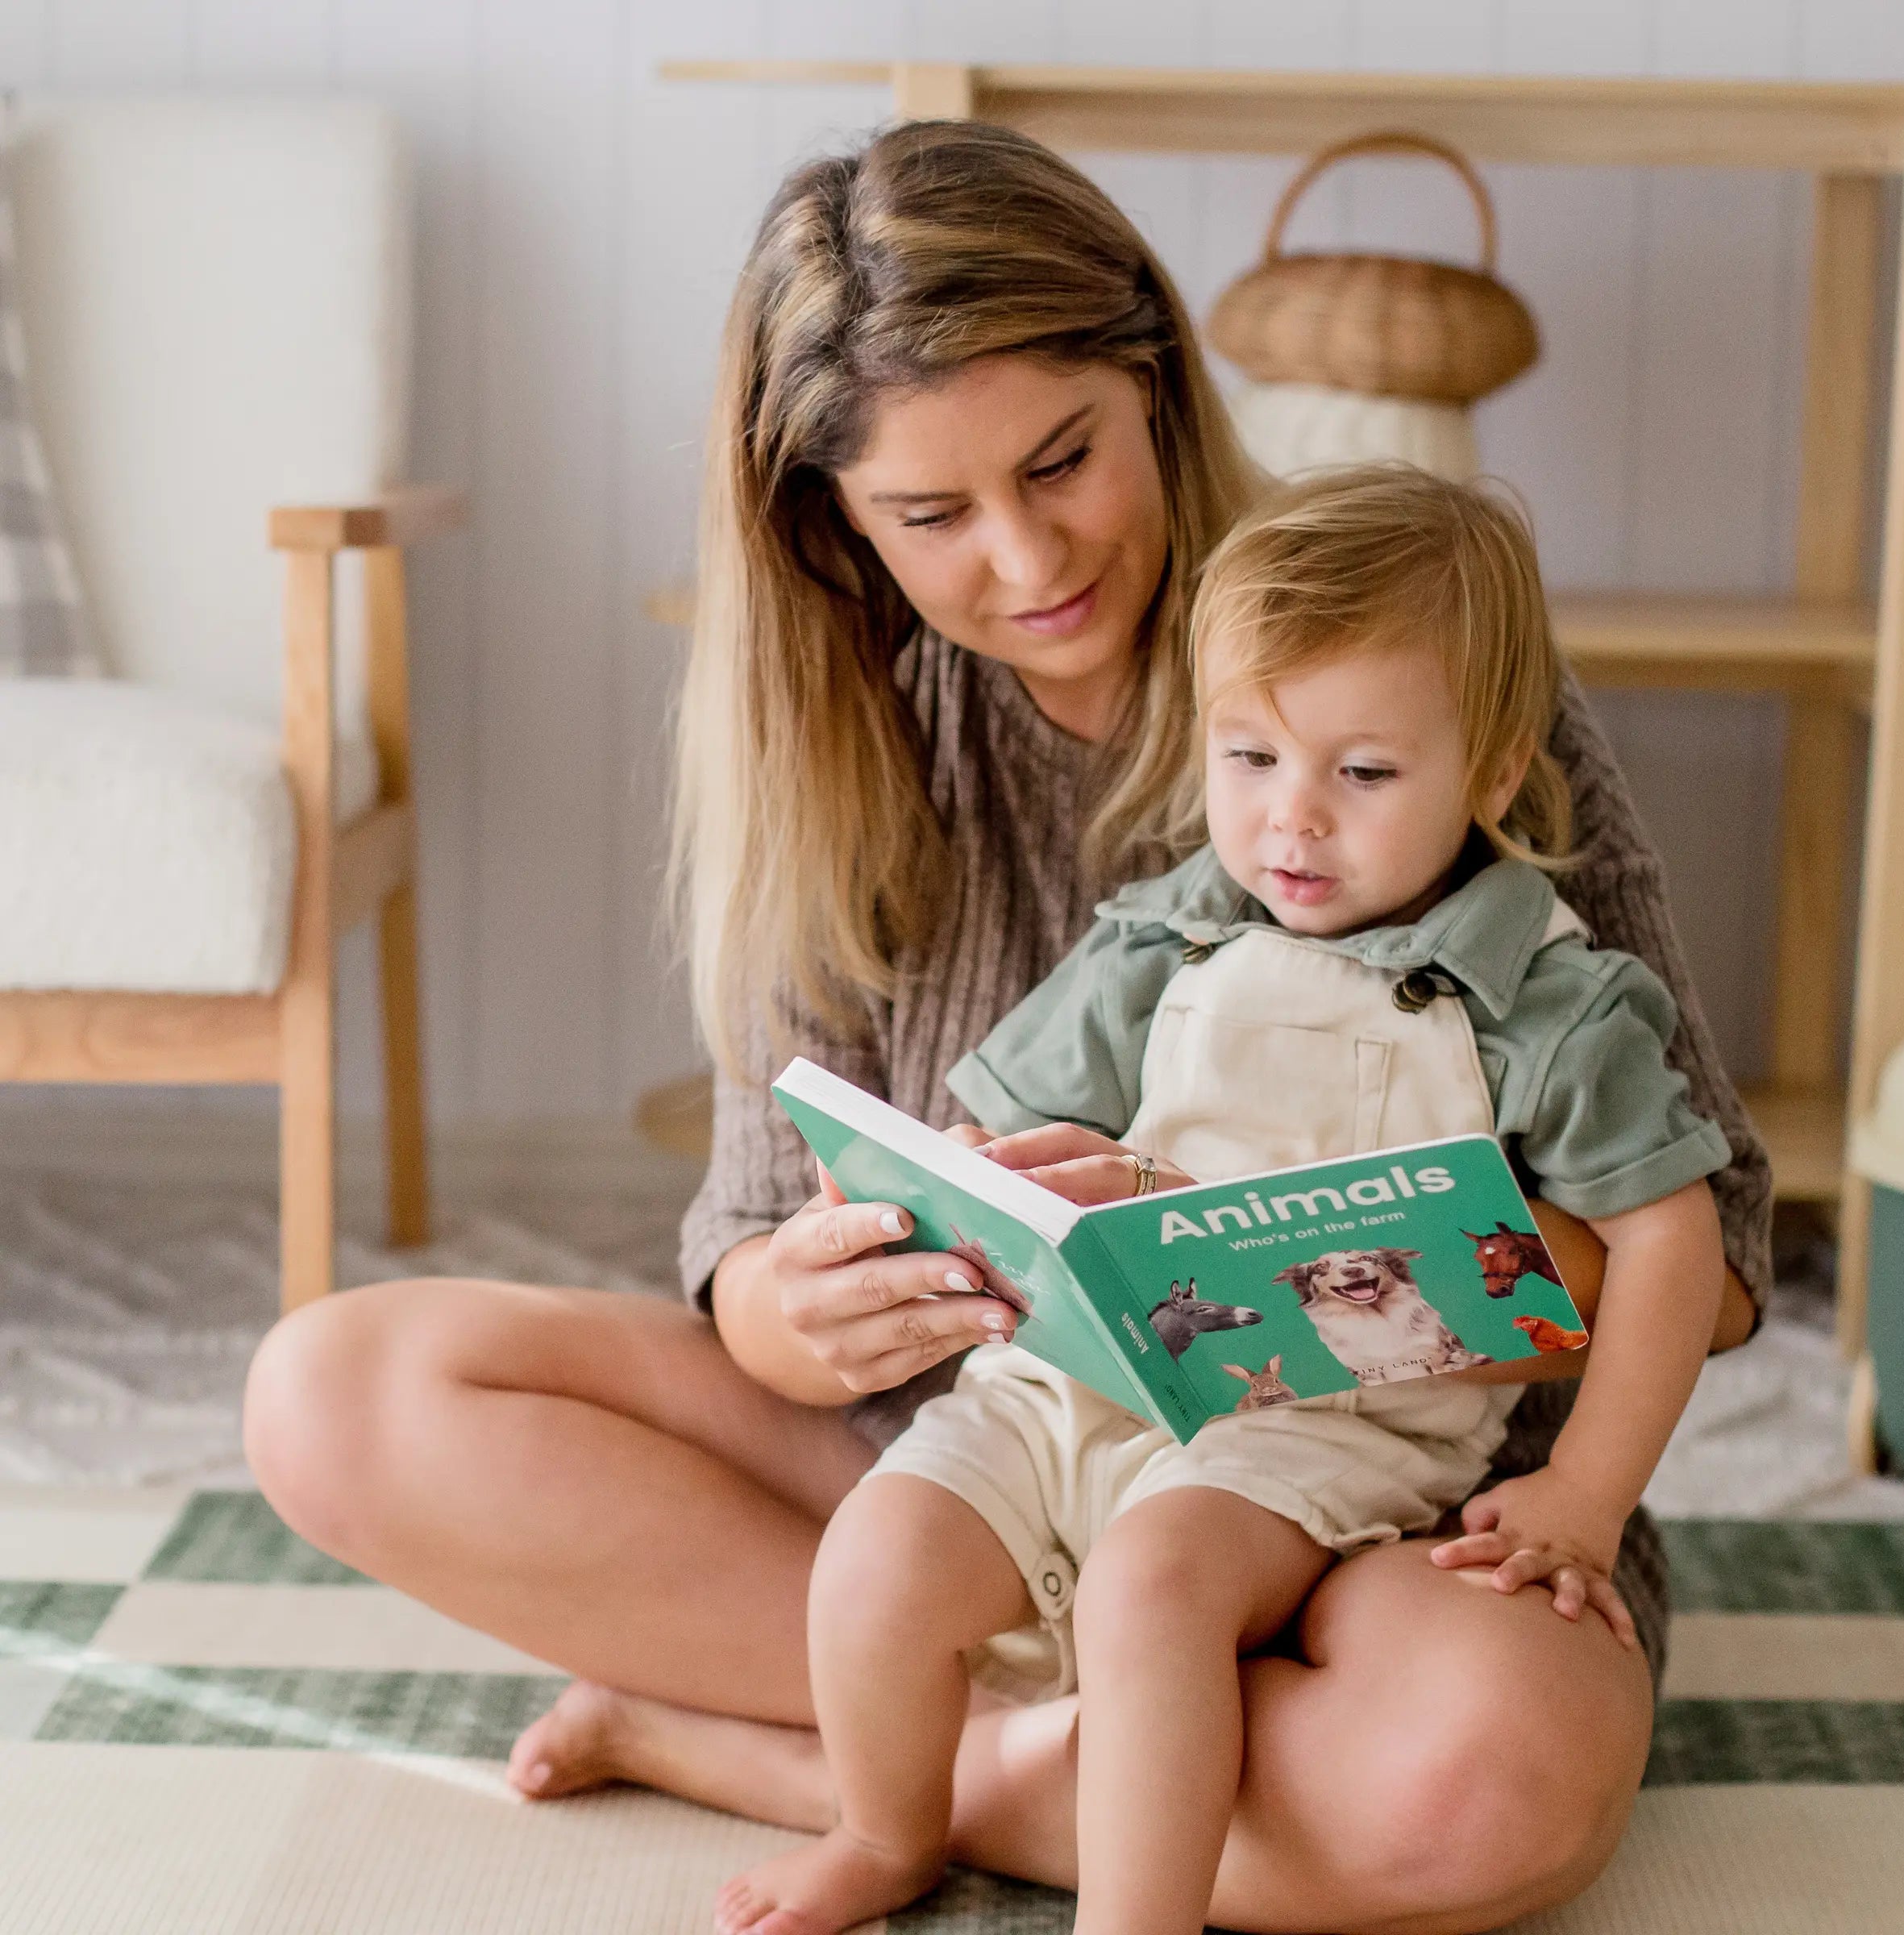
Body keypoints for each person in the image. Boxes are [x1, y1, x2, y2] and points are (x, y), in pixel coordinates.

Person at [242, 121, 1769, 1934]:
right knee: (334, 1393)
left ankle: (815, 1755)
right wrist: (801, 1309)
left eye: (1064, 461)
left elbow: (1719, 1251)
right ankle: (1083, 1753)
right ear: (835, 522)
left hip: (1387, 1510)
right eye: (933, 516)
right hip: (995, 1442)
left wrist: (1353, 1268)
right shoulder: (837, 749)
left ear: (1155, 387)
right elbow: (739, 1254)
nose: (1031, 555)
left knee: (1473, 1785)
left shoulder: (1405, 681)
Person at [715, 467, 1732, 1935]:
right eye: (1249, 757)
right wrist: (912, 1185)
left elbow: (1677, 1242)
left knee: (1153, 1590)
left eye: (1363, 775)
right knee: (877, 1552)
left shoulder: (1551, 1003)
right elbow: (989, 1120)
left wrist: (1587, 1493)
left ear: (1495, 772)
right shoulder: (1167, 937)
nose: (1291, 823)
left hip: (1319, 1429)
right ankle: (883, 1830)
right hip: (1078, 1380)